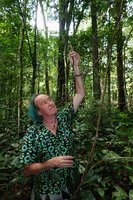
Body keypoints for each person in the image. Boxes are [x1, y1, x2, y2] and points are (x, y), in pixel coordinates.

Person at [20, 46, 85, 200]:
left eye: (49, 99)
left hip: (70, 185)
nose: (50, 102)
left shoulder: (64, 118)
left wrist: (75, 65)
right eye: (44, 102)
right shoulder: (33, 132)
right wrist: (50, 163)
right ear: (38, 112)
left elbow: (80, 94)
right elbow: (27, 169)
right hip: (46, 190)